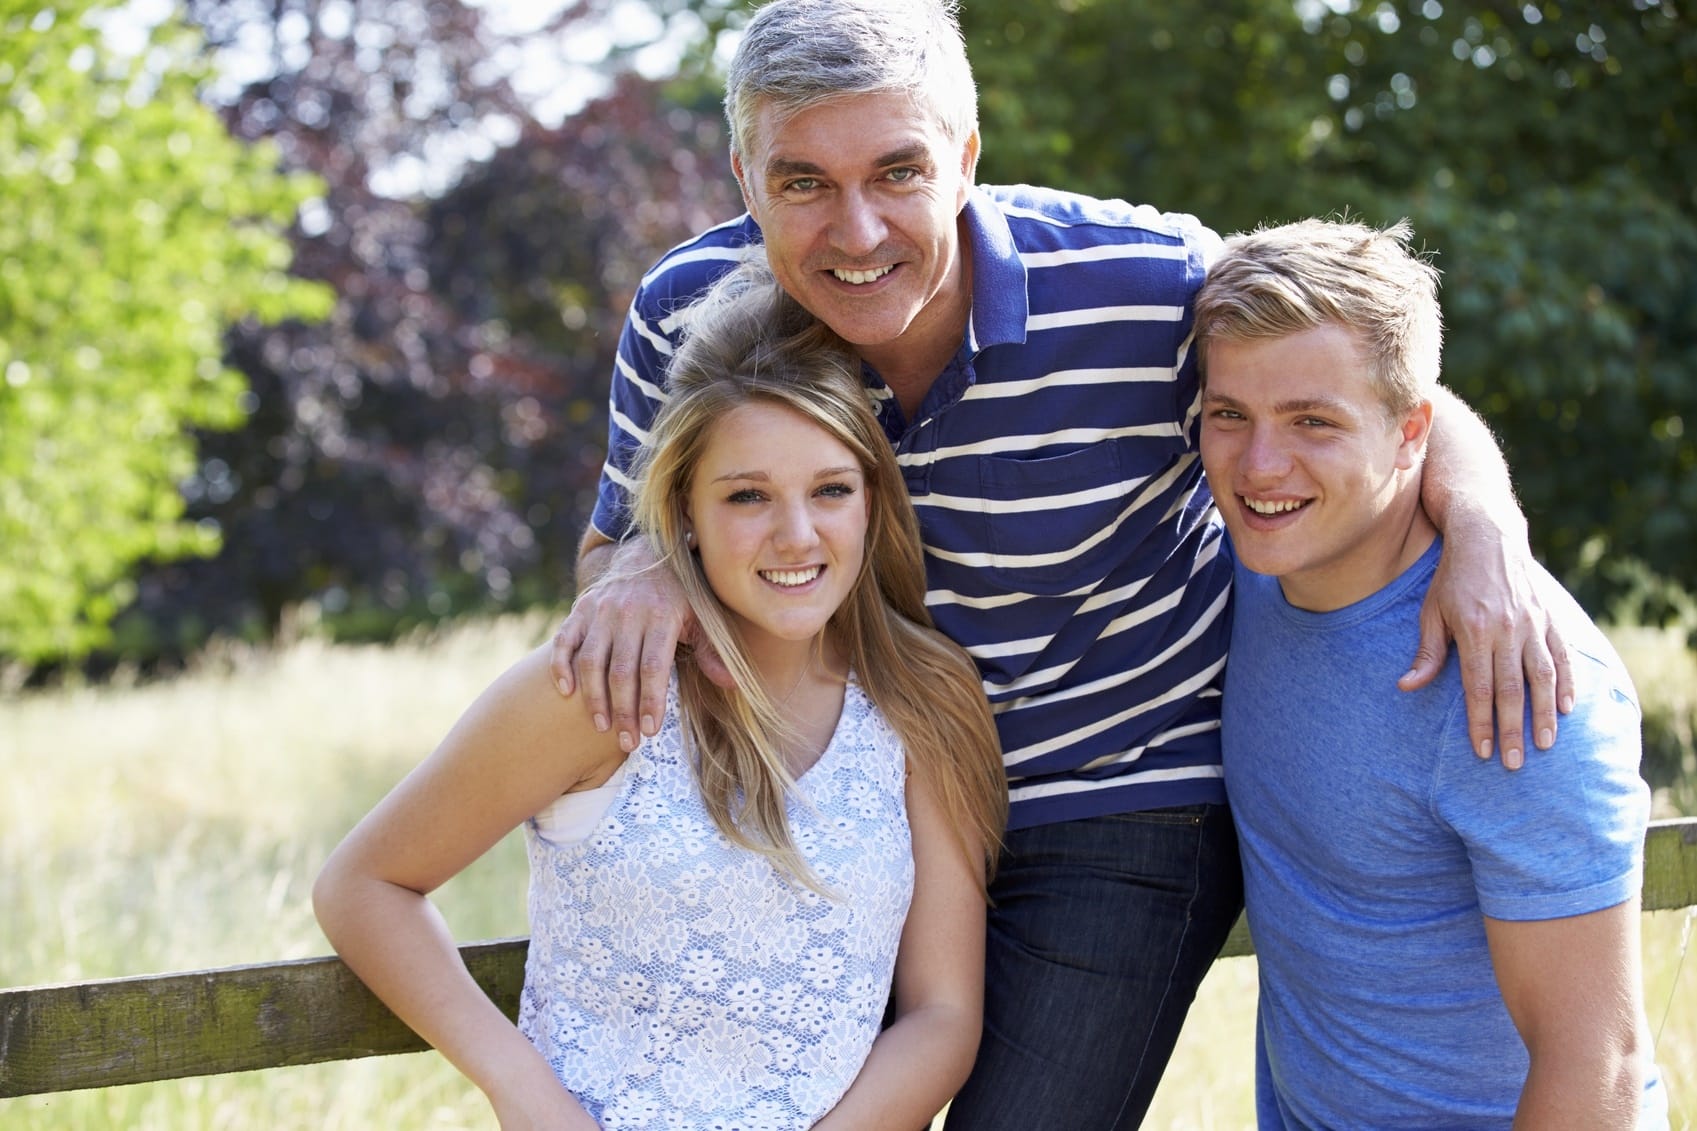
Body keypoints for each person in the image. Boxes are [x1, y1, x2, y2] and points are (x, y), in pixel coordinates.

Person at [550, 1, 1573, 1123]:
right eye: (801, 183)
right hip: (847, 802)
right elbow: (622, 543)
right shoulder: (687, 313)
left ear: (967, 159)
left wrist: (1481, 524)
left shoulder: (1145, 283)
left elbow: (1371, 385)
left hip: (1113, 790)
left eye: (897, 172)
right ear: (742, 176)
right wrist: (642, 559)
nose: (855, 232)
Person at [314, 256, 1009, 1130]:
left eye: (830, 489)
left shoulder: (923, 696)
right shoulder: (596, 690)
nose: (796, 535)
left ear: (873, 498)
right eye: (747, 495)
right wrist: (523, 1092)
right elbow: (364, 884)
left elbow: (943, 1014)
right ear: (681, 511)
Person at [1196, 217, 1668, 1129]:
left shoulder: (1516, 676)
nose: (1258, 466)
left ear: (1409, 434)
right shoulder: (1257, 564)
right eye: (1229, 416)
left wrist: (1488, 525)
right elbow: (1405, 398)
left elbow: (1595, 1062)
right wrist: (1482, 511)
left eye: (1312, 423)